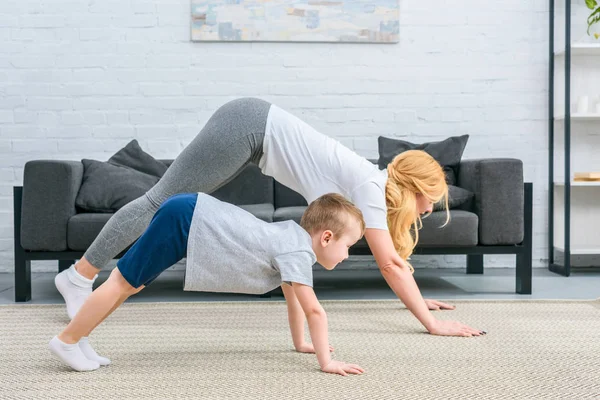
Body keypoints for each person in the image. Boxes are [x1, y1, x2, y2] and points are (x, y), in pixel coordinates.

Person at [55, 97, 483, 337]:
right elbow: (390, 264)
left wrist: (418, 298)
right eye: (428, 199)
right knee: (159, 200)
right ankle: (77, 277)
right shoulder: (372, 188)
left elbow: (388, 259)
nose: (428, 210)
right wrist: (431, 323)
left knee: (163, 200)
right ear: (409, 188)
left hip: (254, 132)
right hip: (250, 126)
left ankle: (79, 277)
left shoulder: (368, 186)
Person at [50, 192, 366, 375]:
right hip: (187, 220)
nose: (348, 255)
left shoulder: (293, 241)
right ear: (326, 237)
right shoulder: (297, 250)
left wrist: (301, 345)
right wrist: (327, 361)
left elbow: (294, 300)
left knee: (132, 284)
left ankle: (79, 338)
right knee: (122, 282)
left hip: (188, 215)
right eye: (348, 245)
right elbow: (314, 311)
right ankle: (67, 340)